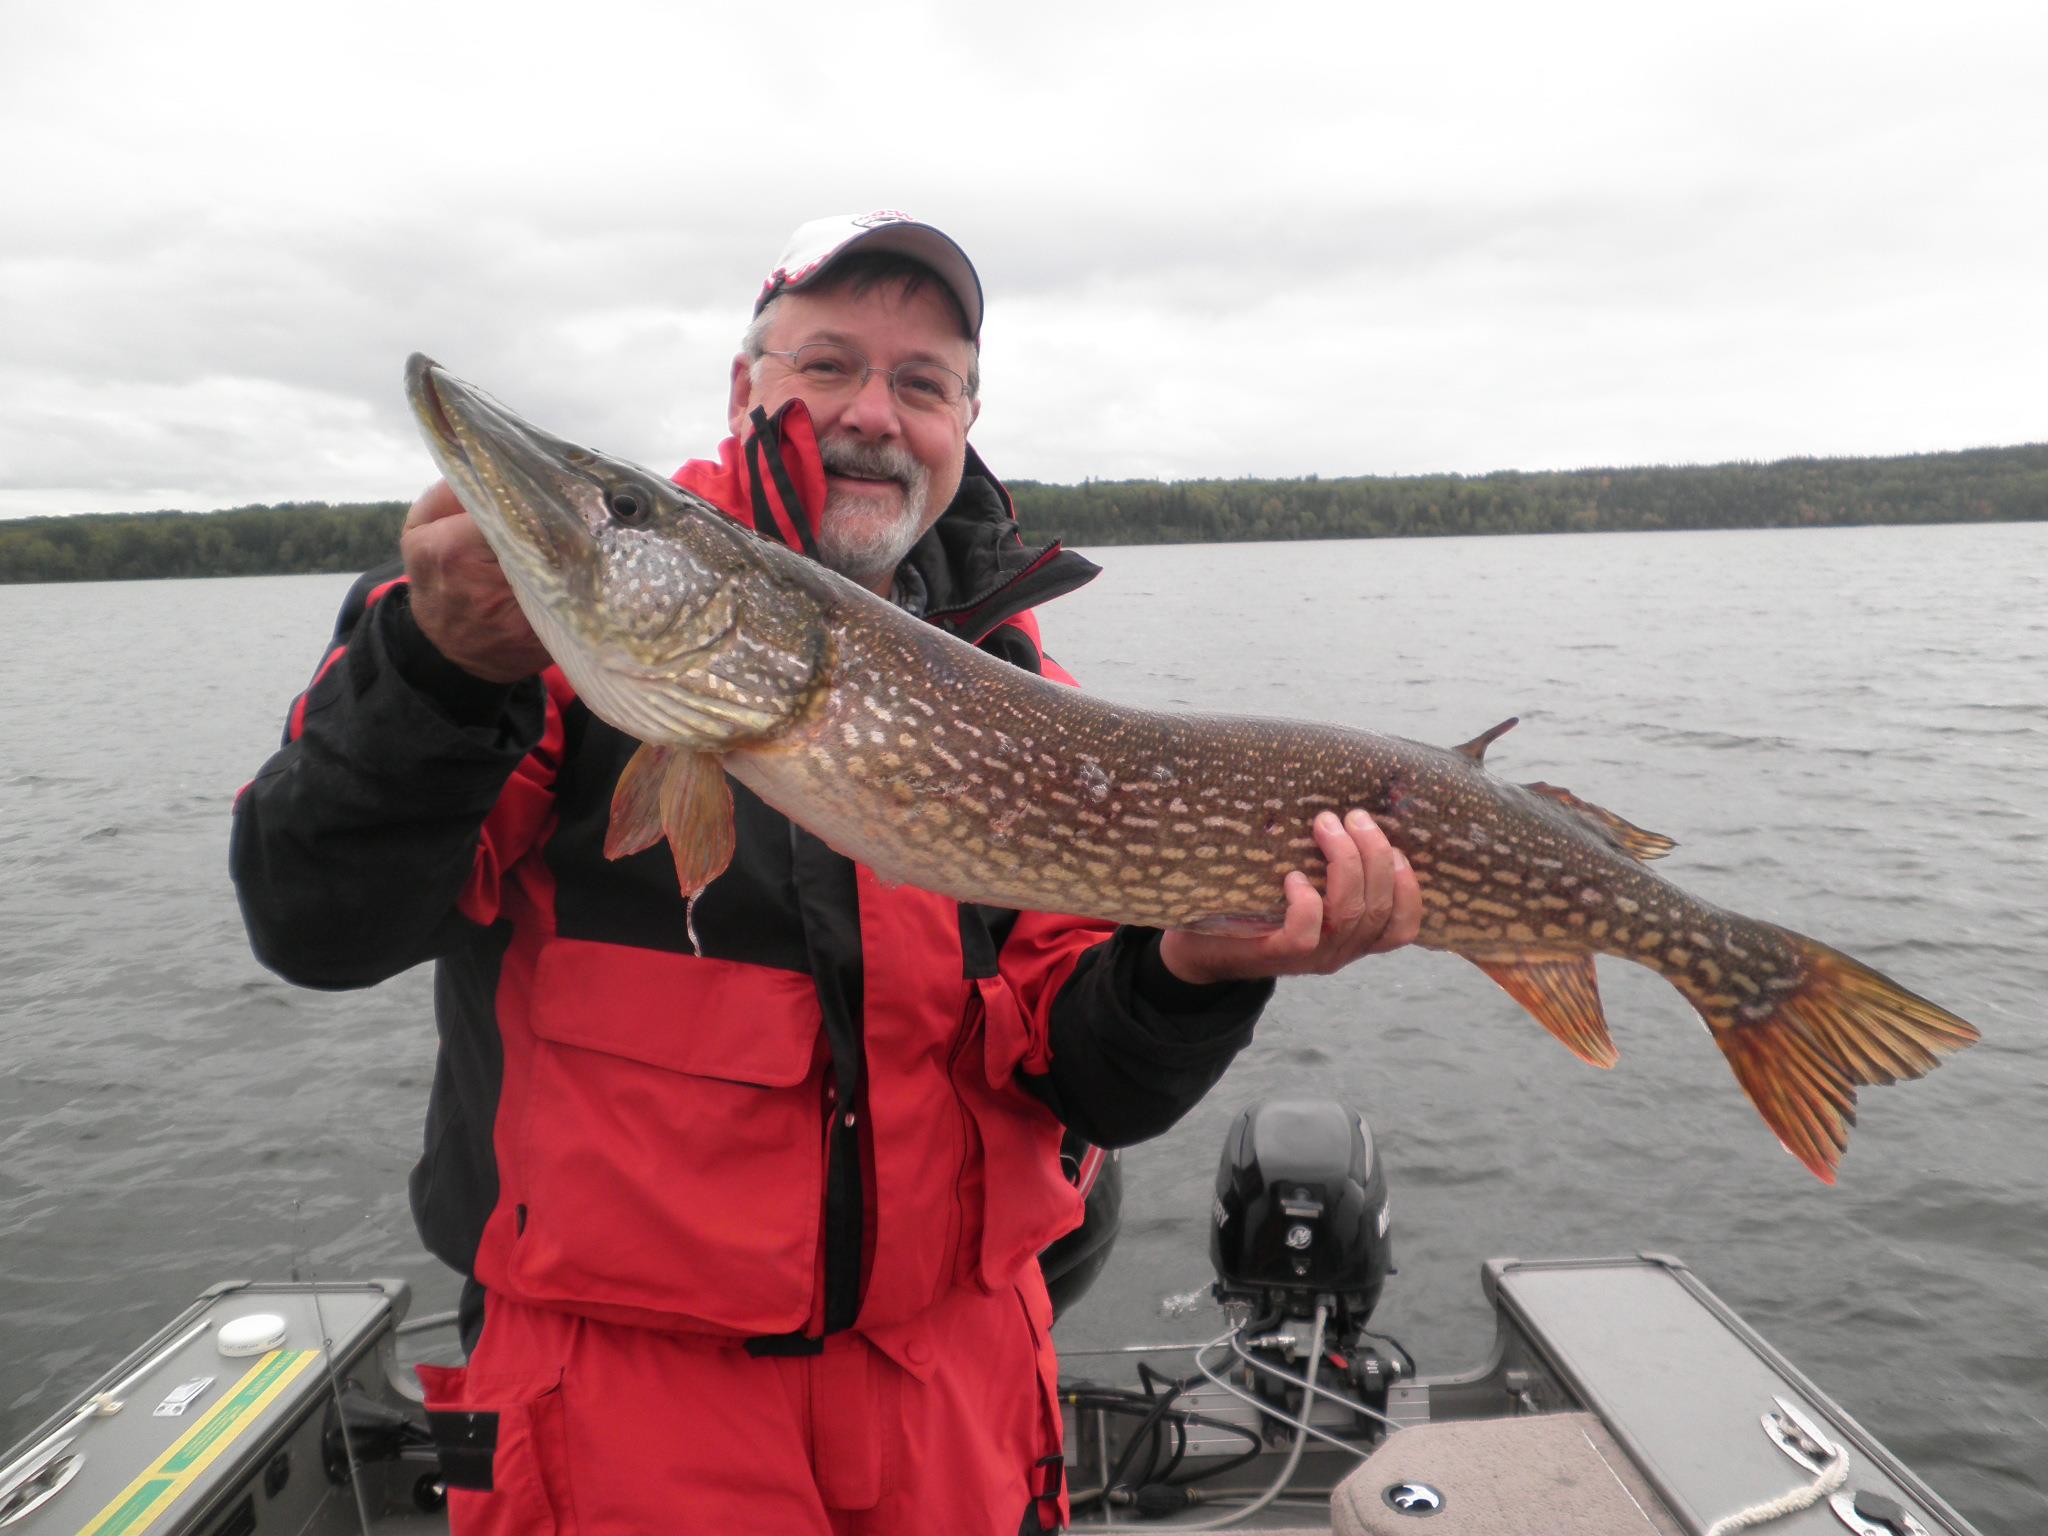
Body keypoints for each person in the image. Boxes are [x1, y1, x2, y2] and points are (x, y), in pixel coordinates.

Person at [230, 211, 1421, 1535]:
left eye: (922, 383)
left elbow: (1082, 1077)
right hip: (626, 1419)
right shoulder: (507, 644)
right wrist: (441, 676)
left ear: (966, 420)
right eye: (828, 366)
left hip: (952, 1406)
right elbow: (314, 925)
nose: (873, 413)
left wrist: (1194, 971)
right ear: (749, 387)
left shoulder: (1017, 690)